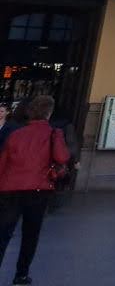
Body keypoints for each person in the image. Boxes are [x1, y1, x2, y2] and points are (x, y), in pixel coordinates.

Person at [0, 94, 70, 286]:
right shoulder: (53, 133)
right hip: (38, 190)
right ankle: (21, 275)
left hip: (10, 189)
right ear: (49, 113)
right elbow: (62, 158)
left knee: (3, 233)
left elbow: (3, 163)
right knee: (30, 234)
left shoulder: (15, 134)